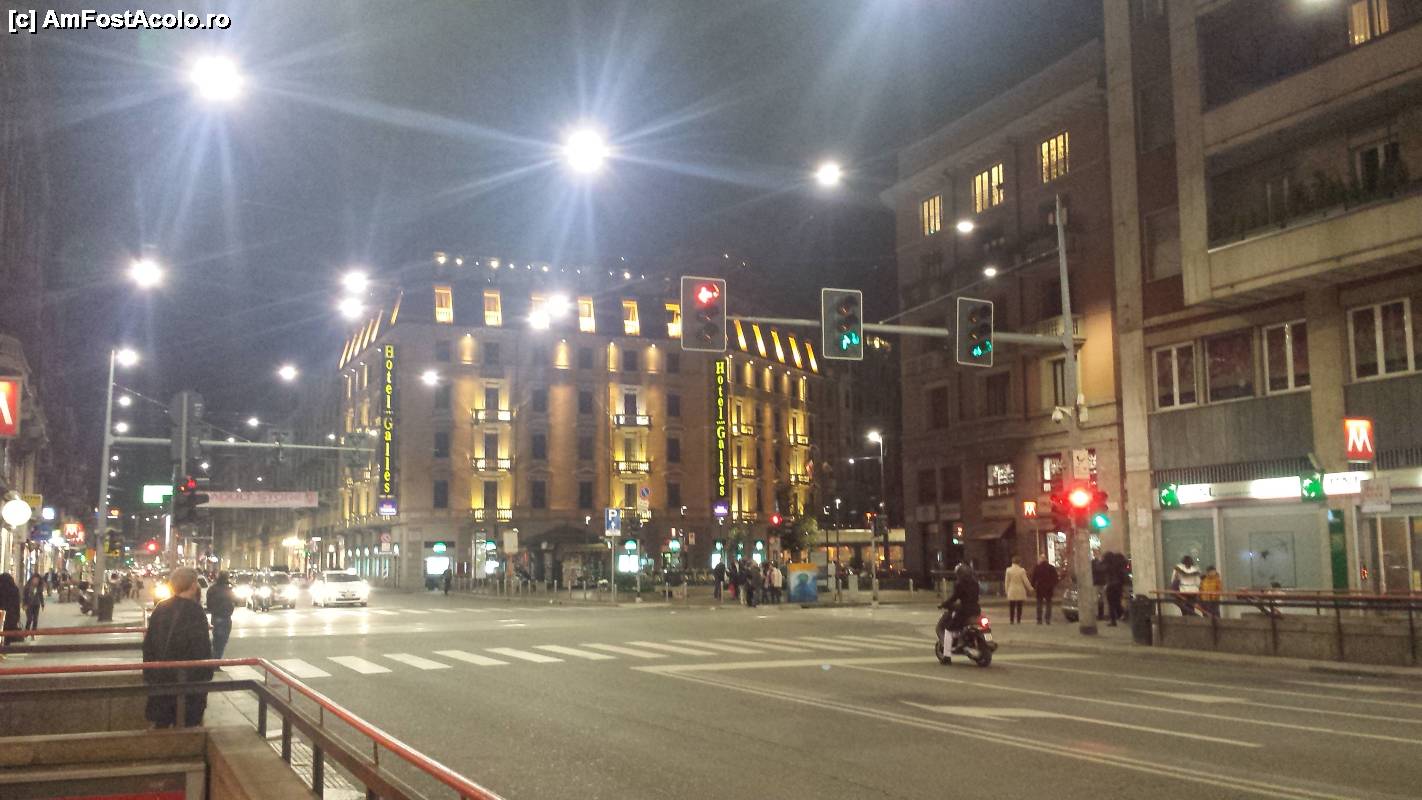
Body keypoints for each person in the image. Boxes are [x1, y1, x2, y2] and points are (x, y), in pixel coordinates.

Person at [142, 567, 214, 728]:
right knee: (188, 724)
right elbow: (202, 647)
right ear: (193, 585)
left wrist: (150, 674)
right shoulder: (195, 611)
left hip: (162, 678)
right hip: (188, 680)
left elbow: (149, 644)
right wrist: (206, 674)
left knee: (161, 724)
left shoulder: (161, 608)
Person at [936, 563, 981, 662]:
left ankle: (947, 656)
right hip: (976, 609)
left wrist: (943, 604)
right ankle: (961, 642)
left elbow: (954, 598)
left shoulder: (960, 584)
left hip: (964, 611)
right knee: (960, 627)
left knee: (949, 630)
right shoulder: (975, 583)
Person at [206, 572, 237, 660]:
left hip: (215, 616)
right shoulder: (226, 589)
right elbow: (234, 600)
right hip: (224, 616)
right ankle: (215, 662)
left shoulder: (212, 589)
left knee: (217, 641)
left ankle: (214, 660)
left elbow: (209, 604)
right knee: (220, 643)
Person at [1102, 550, 1130, 626]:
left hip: (1111, 585)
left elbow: (1104, 571)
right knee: (1117, 602)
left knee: (1111, 604)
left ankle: (1114, 620)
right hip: (1119, 585)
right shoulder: (1119, 564)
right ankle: (1122, 614)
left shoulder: (1109, 565)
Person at [1030, 556, 1060, 625]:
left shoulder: (1037, 567)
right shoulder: (1051, 567)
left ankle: (1039, 619)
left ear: (1041, 560)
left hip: (1040, 587)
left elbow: (1033, 578)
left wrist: (1033, 586)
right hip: (1049, 588)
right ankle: (1047, 619)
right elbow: (1056, 578)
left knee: (1039, 603)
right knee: (1048, 604)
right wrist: (1052, 585)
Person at [1003, 556, 1031, 625]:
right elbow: (1025, 580)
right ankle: (1018, 619)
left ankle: (1011, 620)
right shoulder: (1022, 570)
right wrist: (1030, 588)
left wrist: (1006, 590)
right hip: (1020, 589)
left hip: (1011, 589)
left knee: (1011, 606)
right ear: (1019, 562)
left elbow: (1007, 582)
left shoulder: (1008, 570)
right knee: (1019, 606)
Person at [0, 573, 21, 651]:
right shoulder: (14, 589)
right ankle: (6, 648)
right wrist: (17, 616)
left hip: (1, 614)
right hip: (11, 615)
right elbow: (17, 604)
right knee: (9, 632)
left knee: (1, 631)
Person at [22, 574, 46, 638]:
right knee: (29, 619)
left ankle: (33, 633)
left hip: (36, 605)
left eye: (37, 580)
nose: (36, 581)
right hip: (28, 605)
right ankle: (26, 632)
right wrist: (24, 605)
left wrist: (42, 604)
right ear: (32, 579)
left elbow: (41, 596)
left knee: (35, 619)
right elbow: (24, 597)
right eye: (35, 579)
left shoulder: (39, 587)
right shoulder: (27, 587)